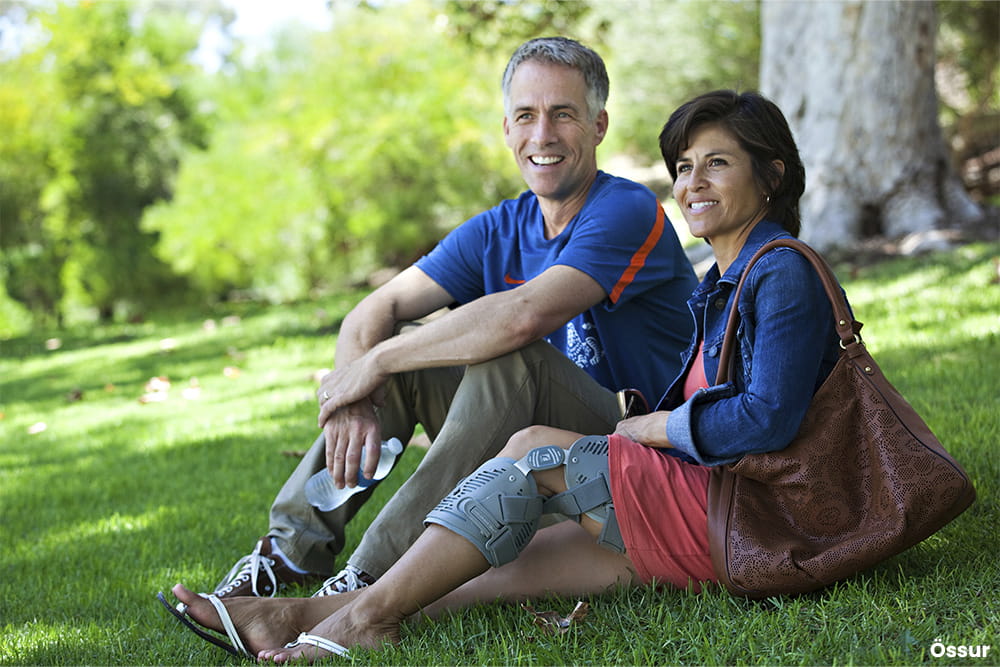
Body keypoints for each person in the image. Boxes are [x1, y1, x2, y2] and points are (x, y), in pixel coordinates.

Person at [162, 88, 847, 663]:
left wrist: (652, 427)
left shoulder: (775, 269)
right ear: (506, 127)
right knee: (490, 571)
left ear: (772, 175)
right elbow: (378, 309)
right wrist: (359, 385)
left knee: (527, 441)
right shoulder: (724, 280)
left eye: (716, 164)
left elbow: (764, 419)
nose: (692, 183)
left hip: (736, 509)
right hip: (702, 496)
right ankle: (295, 599)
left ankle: (363, 599)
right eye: (685, 166)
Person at [206, 36, 698, 601]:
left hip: (632, 461)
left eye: (563, 114)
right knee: (412, 359)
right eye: (526, 116)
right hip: (527, 453)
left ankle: (372, 575)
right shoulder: (498, 228)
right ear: (507, 128)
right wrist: (354, 398)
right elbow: (374, 310)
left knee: (508, 356)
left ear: (598, 126)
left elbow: (523, 316)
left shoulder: (627, 209)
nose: (542, 134)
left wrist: (377, 361)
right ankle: (288, 552)